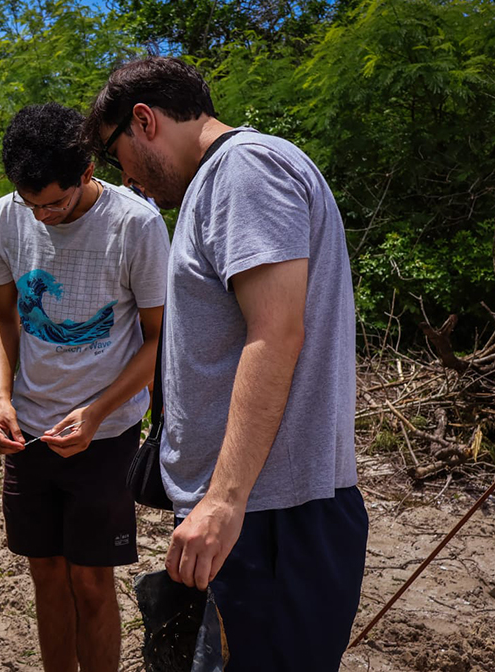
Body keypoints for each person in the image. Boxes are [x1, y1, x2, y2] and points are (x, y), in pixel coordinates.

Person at [84, 56, 368, 671]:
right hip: (251, 513)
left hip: (272, 518)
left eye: (115, 154)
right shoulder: (220, 182)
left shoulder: (245, 170)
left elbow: (275, 332)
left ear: (144, 120)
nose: (127, 180)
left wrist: (223, 501)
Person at [0, 103, 168, 671]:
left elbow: (159, 340)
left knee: (91, 582)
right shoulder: (5, 215)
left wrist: (97, 413)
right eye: (31, 203)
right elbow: (2, 317)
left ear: (89, 172)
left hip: (107, 434)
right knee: (46, 576)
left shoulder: (135, 223)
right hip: (31, 432)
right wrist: (1, 399)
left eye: (56, 202)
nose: (42, 217)